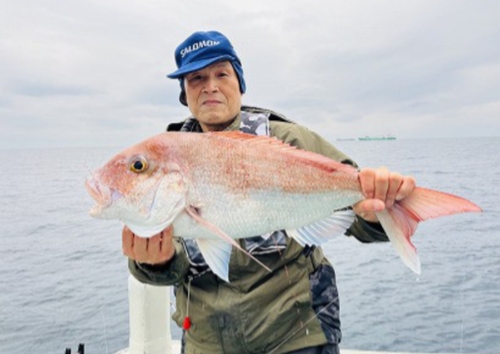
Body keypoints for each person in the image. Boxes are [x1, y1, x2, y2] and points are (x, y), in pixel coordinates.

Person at [123, 31, 416, 354]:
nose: (210, 86)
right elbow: (173, 267)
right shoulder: (163, 159)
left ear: (240, 82)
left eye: (222, 73)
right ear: (185, 94)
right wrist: (156, 262)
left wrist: (373, 215)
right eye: (196, 78)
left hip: (296, 333)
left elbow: (356, 211)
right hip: (206, 342)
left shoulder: (287, 140)